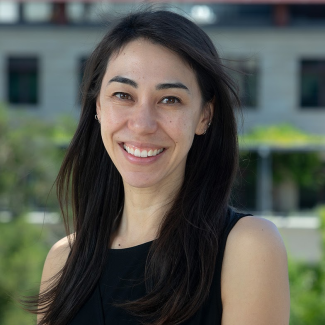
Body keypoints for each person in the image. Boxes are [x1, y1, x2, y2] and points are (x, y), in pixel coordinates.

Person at [32, 8, 290, 325]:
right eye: (123, 94)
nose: (142, 124)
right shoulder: (63, 261)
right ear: (98, 106)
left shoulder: (248, 246)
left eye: (170, 99)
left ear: (204, 116)